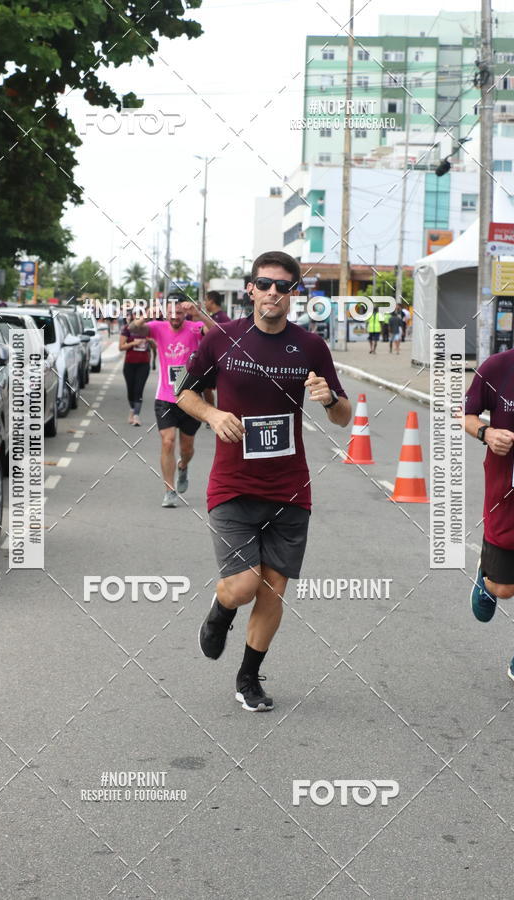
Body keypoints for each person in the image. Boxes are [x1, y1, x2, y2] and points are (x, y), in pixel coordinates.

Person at [177, 250, 352, 712]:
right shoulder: (223, 339)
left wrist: (330, 397)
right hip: (232, 482)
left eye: (285, 286)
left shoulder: (311, 347)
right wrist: (214, 415)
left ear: (294, 293)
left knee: (273, 589)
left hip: (290, 487)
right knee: (241, 586)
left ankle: (248, 677)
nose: (274, 292)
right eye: (266, 283)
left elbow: (343, 417)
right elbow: (186, 393)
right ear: (250, 288)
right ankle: (220, 613)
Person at [465, 297, 514, 691]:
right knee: (506, 588)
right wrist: (487, 433)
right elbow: (467, 414)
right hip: (509, 495)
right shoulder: (498, 368)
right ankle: (487, 579)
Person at [133, 297, 213, 507]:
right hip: (165, 398)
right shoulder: (157, 327)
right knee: (167, 441)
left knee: (186, 449)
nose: (175, 317)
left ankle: (183, 466)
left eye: (179, 313)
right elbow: (133, 328)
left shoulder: (195, 327)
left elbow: (218, 333)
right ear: (165, 313)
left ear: (184, 314)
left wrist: (199, 313)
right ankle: (169, 490)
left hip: (191, 399)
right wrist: (147, 314)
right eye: (171, 313)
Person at [119, 312, 151, 426]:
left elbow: (156, 346)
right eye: (137, 316)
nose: (140, 319)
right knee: (131, 391)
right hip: (129, 364)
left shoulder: (148, 329)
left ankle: (137, 416)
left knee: (139, 390)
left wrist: (151, 342)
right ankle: (132, 410)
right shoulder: (127, 329)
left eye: (142, 316)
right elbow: (121, 347)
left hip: (144, 364)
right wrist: (133, 343)